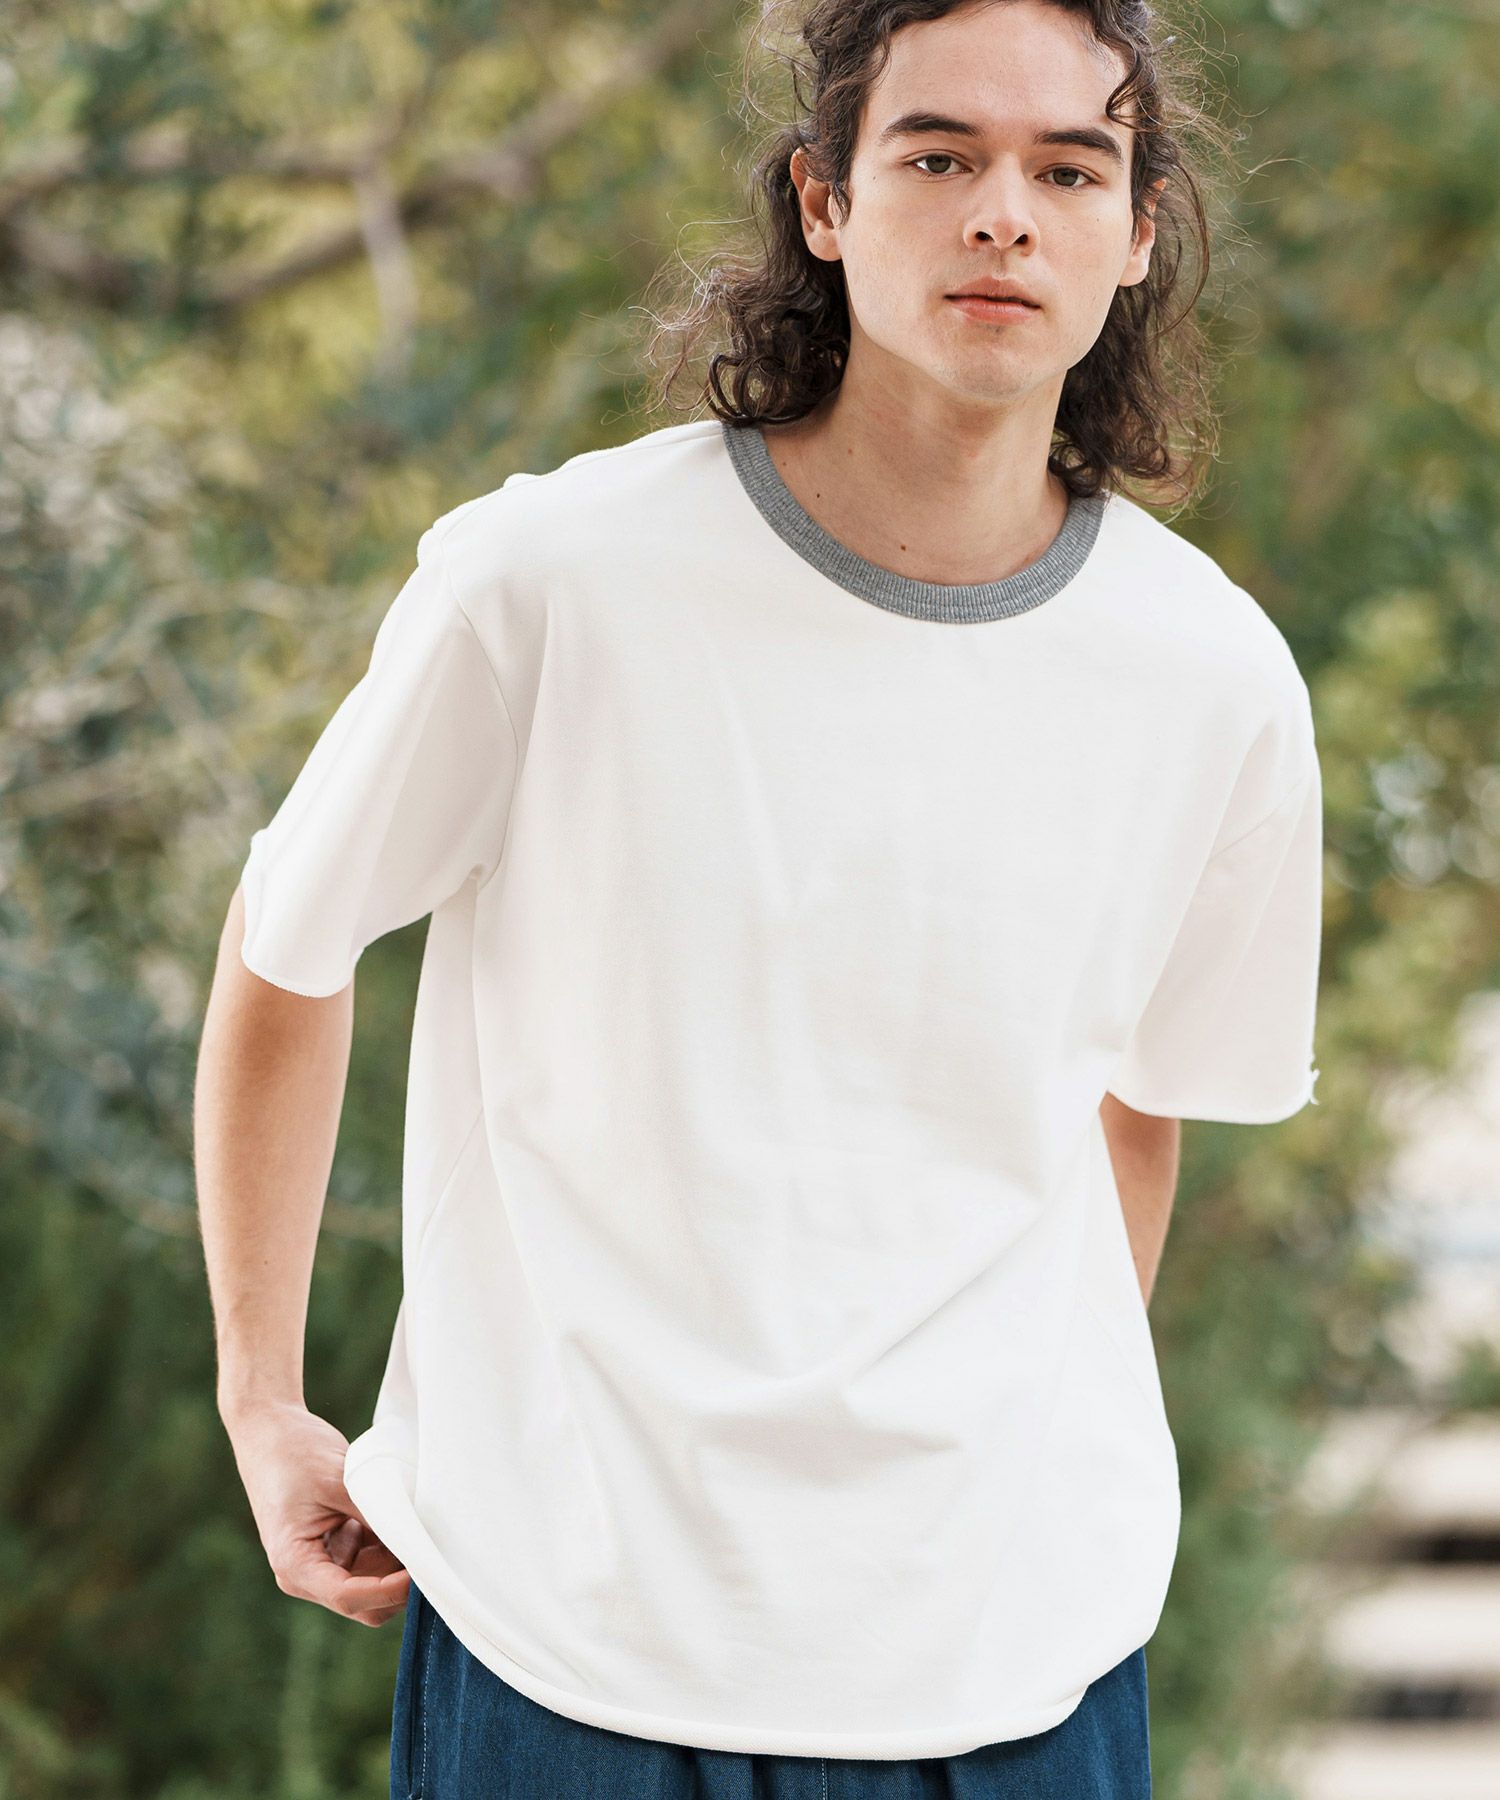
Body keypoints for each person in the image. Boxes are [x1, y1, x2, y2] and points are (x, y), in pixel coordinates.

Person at [194, 0, 1324, 1794]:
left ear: (1136, 230)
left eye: (1069, 169)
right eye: (938, 155)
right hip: (571, 1635)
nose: (1003, 213)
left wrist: (985, 1469)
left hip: (1018, 1667)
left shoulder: (1213, 676)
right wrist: (261, 1399)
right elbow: (287, 943)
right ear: (823, 199)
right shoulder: (553, 581)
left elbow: (1136, 1106)